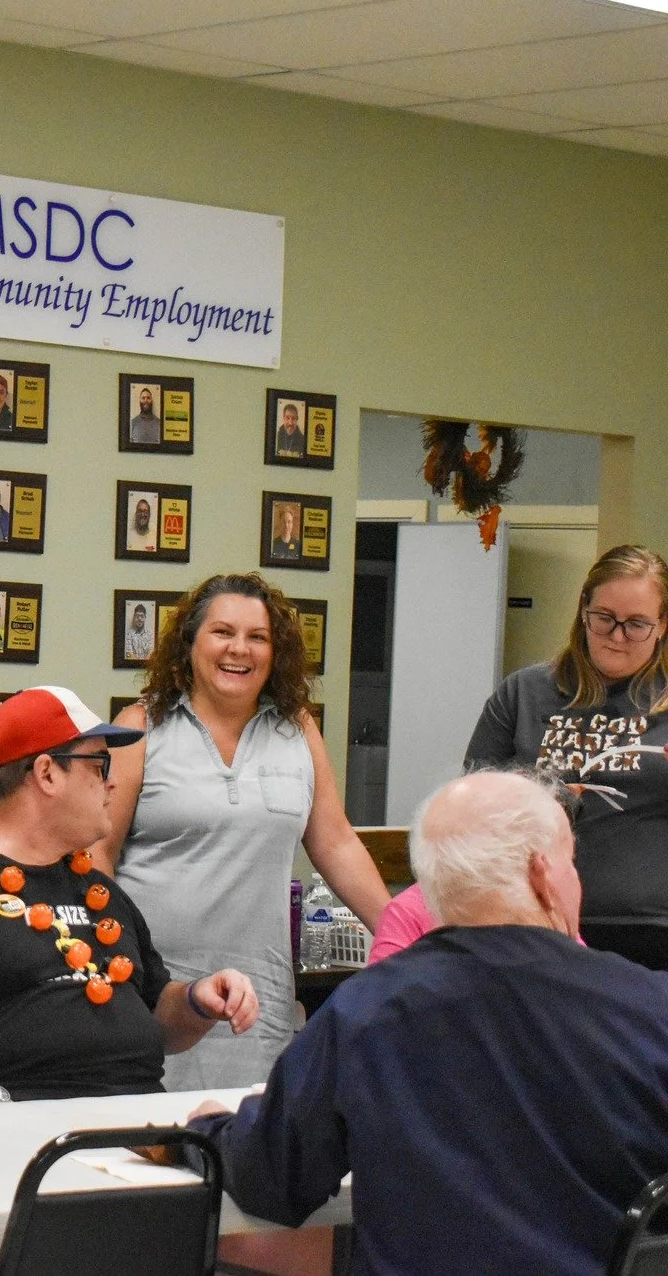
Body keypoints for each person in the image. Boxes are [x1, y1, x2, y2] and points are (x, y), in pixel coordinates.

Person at [195, 770, 668, 1276]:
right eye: (572, 864)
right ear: (544, 875)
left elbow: (270, 1179)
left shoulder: (366, 1012)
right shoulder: (649, 1007)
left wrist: (205, 1127)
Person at [0, 687, 258, 1106]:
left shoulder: (101, 892)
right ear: (47, 773)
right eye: (100, 765)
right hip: (21, 1135)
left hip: (137, 1119)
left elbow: (157, 1016)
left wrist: (198, 999)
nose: (114, 781)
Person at [100, 572, 388, 1090]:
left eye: (258, 637)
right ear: (189, 644)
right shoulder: (141, 727)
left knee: (245, 1148)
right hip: (153, 993)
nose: (240, 650)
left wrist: (404, 934)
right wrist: (111, 967)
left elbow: (335, 841)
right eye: (222, 633)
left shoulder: (296, 728)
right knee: (144, 1151)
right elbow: (96, 856)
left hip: (256, 1000)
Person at [465, 544, 668, 968]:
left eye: (636, 625)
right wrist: (538, 796)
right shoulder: (524, 692)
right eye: (604, 619)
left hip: (652, 931)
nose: (617, 636)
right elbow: (470, 805)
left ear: (662, 625)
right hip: (532, 923)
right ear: (583, 610)